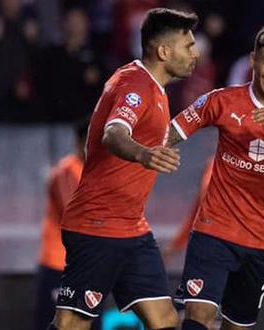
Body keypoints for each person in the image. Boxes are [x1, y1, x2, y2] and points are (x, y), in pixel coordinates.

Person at [49, 8, 199, 330]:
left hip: (132, 228)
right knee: (71, 325)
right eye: (188, 46)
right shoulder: (136, 85)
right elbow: (113, 133)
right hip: (98, 224)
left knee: (165, 321)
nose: (195, 54)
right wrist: (144, 156)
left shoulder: (154, 89)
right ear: (163, 51)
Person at [167, 24, 264, 329]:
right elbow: (170, 132)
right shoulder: (222, 100)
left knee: (236, 325)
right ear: (253, 60)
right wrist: (139, 151)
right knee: (198, 317)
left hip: (260, 241)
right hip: (213, 231)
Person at [33, 121, 88, 330]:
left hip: (82, 264)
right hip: (59, 263)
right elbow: (73, 215)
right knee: (56, 323)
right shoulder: (67, 170)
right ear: (79, 142)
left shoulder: (92, 171)